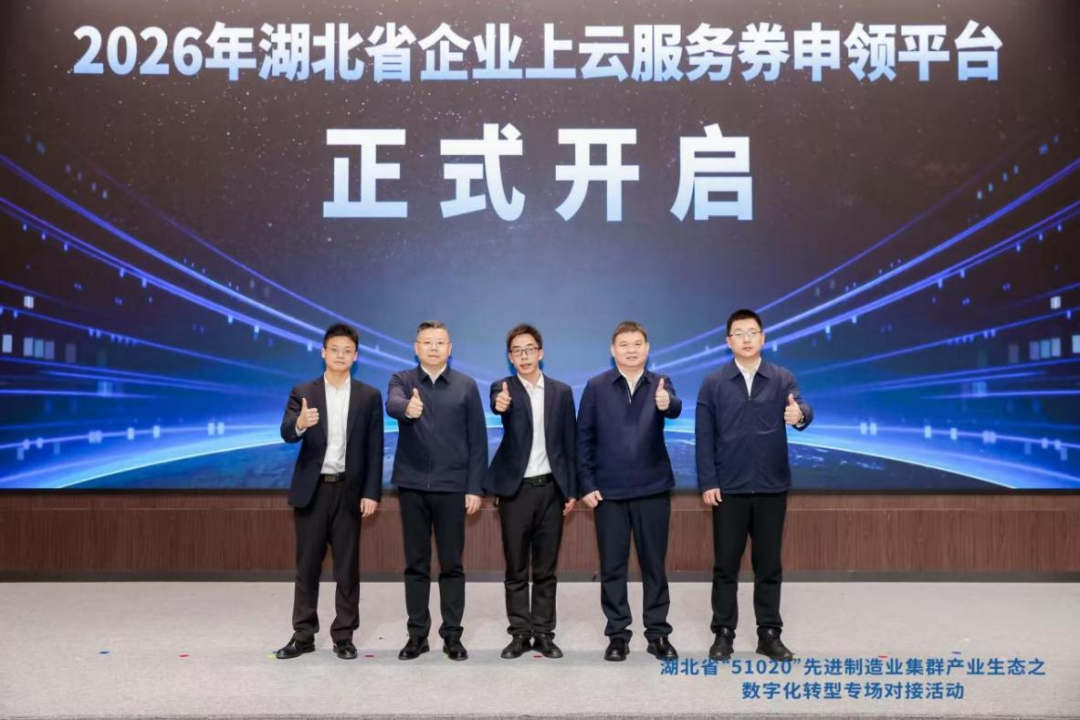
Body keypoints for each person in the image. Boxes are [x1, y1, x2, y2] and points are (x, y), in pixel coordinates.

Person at [695, 308, 813, 662]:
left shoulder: (781, 378)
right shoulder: (714, 382)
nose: (746, 339)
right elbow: (704, 436)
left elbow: (802, 408)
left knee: (768, 565)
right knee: (725, 565)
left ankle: (769, 634)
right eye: (739, 333)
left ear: (763, 338)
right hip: (728, 489)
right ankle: (724, 633)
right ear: (728, 341)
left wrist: (800, 415)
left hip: (770, 487)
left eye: (752, 332)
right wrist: (708, 480)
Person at [275, 323, 384, 661]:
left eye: (347, 351)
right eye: (334, 349)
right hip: (313, 491)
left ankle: (344, 635)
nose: (340, 355)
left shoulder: (369, 396)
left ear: (356, 356)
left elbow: (375, 449)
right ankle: (303, 635)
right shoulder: (303, 391)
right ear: (323, 352)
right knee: (307, 565)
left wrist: (371, 493)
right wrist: (300, 424)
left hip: (349, 492)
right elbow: (286, 433)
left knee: (347, 568)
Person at [577, 320, 682, 662]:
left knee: (654, 565)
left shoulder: (660, 383)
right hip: (608, 492)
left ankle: (658, 633)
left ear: (647, 349)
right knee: (613, 566)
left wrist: (667, 402)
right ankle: (618, 635)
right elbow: (583, 438)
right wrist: (587, 484)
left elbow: (675, 407)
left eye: (637, 344)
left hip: (653, 488)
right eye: (624, 344)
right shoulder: (596, 386)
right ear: (613, 350)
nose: (631, 350)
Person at [386, 320, 487, 661]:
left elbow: (478, 441)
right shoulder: (402, 380)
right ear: (416, 347)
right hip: (412, 486)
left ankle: (452, 635)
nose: (433, 347)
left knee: (451, 564)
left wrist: (474, 487)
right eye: (427, 342)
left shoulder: (466, 385)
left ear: (449, 348)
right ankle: (417, 636)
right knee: (416, 564)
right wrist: (407, 408)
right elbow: (392, 403)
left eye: (440, 342)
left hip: (452, 488)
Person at [486, 324, 577, 660]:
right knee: (515, 568)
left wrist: (571, 489)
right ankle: (520, 634)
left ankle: (543, 633)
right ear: (510, 357)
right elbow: (498, 404)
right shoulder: (503, 388)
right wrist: (500, 403)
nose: (524, 356)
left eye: (529, 349)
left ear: (541, 352)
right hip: (516, 492)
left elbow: (569, 442)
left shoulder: (562, 392)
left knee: (545, 569)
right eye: (517, 351)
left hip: (551, 489)